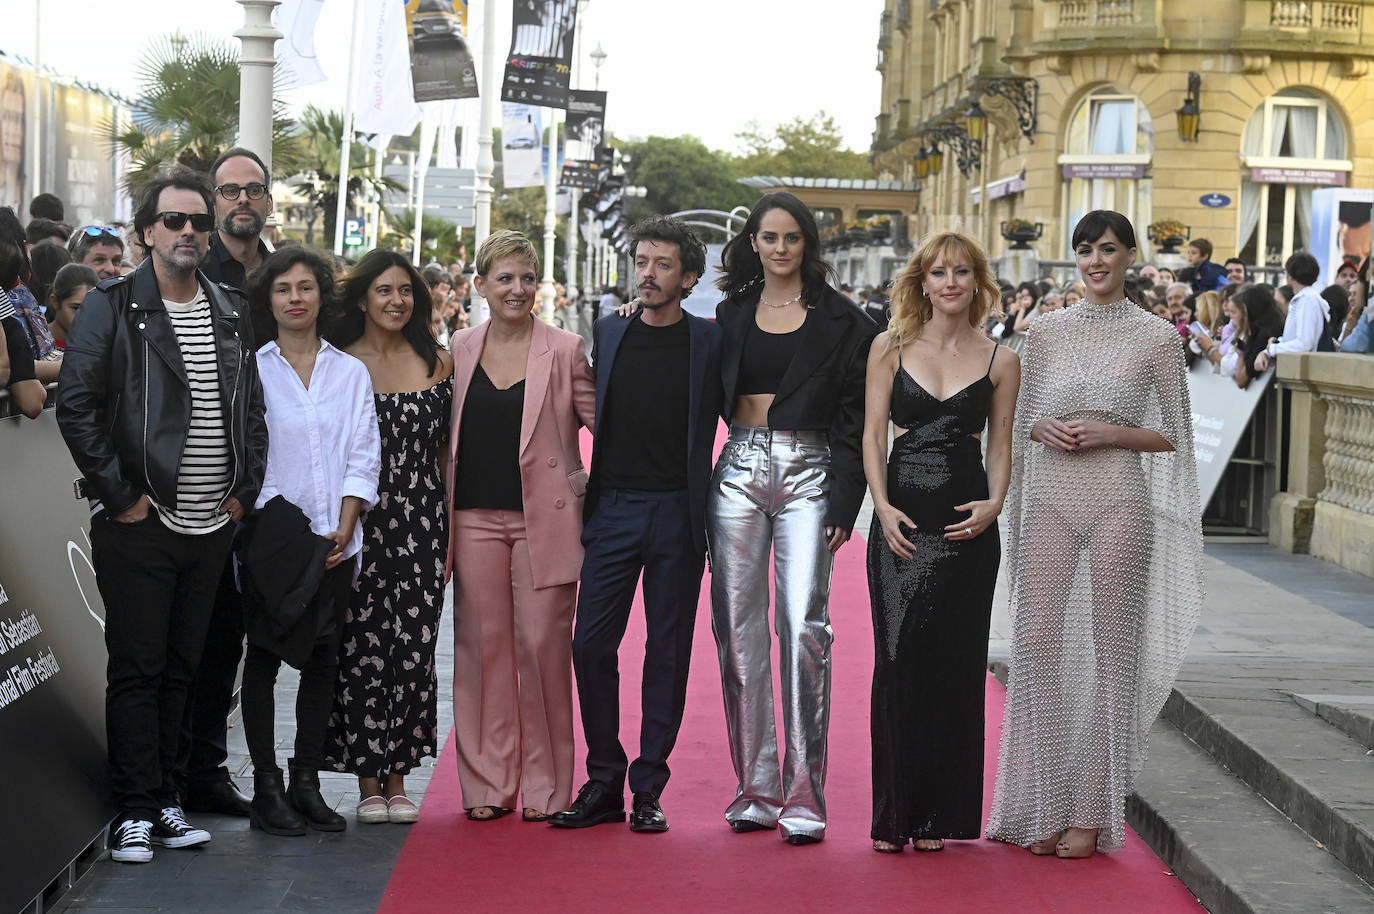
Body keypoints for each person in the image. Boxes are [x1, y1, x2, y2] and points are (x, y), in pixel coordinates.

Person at [55, 168, 268, 864]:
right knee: (139, 668)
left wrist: (245, 489)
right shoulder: (112, 307)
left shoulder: (231, 307)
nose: (188, 233)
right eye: (174, 221)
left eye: (198, 223)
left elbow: (251, 411)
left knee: (186, 668)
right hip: (141, 525)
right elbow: (77, 407)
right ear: (146, 232)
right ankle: (134, 811)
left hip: (213, 523)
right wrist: (122, 498)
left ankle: (170, 800)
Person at [985, 210, 1204, 859]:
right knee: (1038, 646)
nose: (1094, 261)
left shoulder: (1158, 337)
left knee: (1114, 656)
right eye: (1084, 250)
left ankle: (1090, 809)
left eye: (1107, 249)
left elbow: (1176, 436)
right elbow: (1017, 419)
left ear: (1130, 255)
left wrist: (1112, 432)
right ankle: (1044, 802)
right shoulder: (1045, 332)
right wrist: (1041, 428)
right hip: (1050, 495)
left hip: (1119, 500)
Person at [707, 191, 876, 845]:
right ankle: (756, 787)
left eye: (792, 238)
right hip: (739, 470)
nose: (780, 248)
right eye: (769, 237)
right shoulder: (729, 315)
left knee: (806, 627)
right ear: (753, 243)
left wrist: (845, 502)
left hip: (812, 472)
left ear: (808, 244)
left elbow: (859, 421)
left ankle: (805, 798)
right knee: (737, 632)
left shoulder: (846, 322)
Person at [549, 217, 722, 834]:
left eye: (662, 264)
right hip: (615, 509)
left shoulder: (711, 340)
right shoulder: (610, 328)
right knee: (591, 644)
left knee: (667, 652)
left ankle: (649, 786)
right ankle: (603, 779)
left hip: (678, 510)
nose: (648, 273)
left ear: (689, 277)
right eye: (641, 261)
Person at [862, 232, 1020, 854]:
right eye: (937, 272)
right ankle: (895, 815)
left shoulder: (1000, 359)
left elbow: (1000, 444)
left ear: (977, 281)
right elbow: (874, 435)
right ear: (921, 282)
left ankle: (937, 818)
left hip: (967, 525)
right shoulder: (889, 347)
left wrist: (994, 504)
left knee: (955, 667)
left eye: (961, 271)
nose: (949, 281)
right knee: (898, 662)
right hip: (900, 519)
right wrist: (880, 504)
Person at [445, 230, 595, 823]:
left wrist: (588, 487)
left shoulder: (564, 347)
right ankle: (487, 785)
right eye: (503, 278)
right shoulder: (458, 346)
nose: (516, 289)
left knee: (542, 649)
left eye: (526, 278)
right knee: (481, 651)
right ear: (479, 285)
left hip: (545, 523)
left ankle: (549, 788)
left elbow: (604, 419)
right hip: (473, 519)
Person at [239, 247, 380, 836]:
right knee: (265, 662)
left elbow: (362, 450)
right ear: (267, 300)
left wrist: (344, 526)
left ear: (323, 295)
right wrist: (289, 532)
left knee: (324, 662)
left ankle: (306, 783)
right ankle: (267, 789)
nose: (295, 298)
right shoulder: (252, 368)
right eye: (282, 289)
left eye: (306, 287)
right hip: (275, 542)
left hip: (336, 542)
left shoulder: (349, 372)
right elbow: (250, 453)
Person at [324, 250, 453, 825]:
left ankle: (400, 777)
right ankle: (367, 780)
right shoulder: (341, 364)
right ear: (361, 299)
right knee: (361, 647)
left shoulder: (441, 363)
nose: (397, 300)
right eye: (384, 290)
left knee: (414, 650)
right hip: (361, 524)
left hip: (424, 523)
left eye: (406, 290)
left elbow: (449, 456)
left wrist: (451, 533)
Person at [175, 146, 279, 821]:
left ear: (268, 200)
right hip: (192, 485)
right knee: (180, 638)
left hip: (266, 488)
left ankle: (207, 770)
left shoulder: (286, 274)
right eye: (230, 190)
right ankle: (166, 774)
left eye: (254, 189)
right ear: (213, 203)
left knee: (230, 639)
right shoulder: (184, 271)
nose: (243, 200)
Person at [1254, 252, 1330, 373]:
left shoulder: (1307, 300)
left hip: (1306, 372)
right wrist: (1271, 348)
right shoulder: (1304, 299)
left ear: (1290, 276)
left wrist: (1272, 349)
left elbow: (1304, 343)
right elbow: (1292, 337)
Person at [46, 262, 97, 351]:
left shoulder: (101, 347)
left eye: (92, 310)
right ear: (55, 302)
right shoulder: (33, 344)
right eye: (76, 308)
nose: (85, 318)